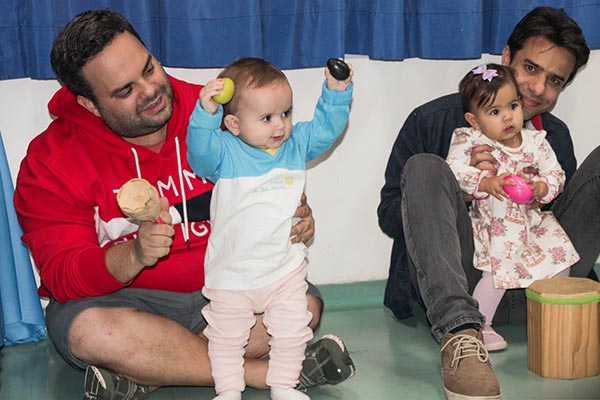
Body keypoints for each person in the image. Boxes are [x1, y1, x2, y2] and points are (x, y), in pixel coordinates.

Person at [14, 10, 355, 400]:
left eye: (149, 68)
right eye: (125, 91)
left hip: (232, 286)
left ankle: (150, 371)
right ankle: (261, 374)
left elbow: (276, 164)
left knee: (303, 304)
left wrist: (294, 214)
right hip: (128, 303)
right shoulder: (50, 161)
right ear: (90, 104)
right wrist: (133, 255)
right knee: (93, 333)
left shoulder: (213, 113)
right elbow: (62, 274)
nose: (150, 90)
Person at [377, 7, 595, 400]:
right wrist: (463, 189)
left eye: (554, 80)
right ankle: (461, 339)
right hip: (466, 283)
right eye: (530, 67)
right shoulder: (433, 121)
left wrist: (540, 190)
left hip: (538, 281)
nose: (537, 88)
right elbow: (391, 217)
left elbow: (563, 218)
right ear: (506, 57)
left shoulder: (553, 139)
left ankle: (569, 301)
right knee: (426, 167)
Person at [186, 57, 354, 400]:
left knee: (292, 329)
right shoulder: (225, 152)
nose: (280, 125)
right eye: (266, 118)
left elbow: (325, 128)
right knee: (227, 337)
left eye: (286, 113)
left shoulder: (294, 145)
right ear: (233, 124)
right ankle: (229, 389)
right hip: (232, 274)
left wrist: (336, 92)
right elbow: (198, 154)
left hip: (284, 269)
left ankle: (283, 385)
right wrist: (205, 114)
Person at [447, 63, 580, 352]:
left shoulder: (536, 142)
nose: (507, 117)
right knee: (495, 275)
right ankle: (480, 325)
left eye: (513, 105)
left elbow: (556, 174)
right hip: (496, 225)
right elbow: (453, 171)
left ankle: (554, 313)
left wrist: (543, 188)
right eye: (494, 112)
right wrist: (485, 182)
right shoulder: (470, 139)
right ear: (474, 120)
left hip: (532, 222)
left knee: (559, 261)